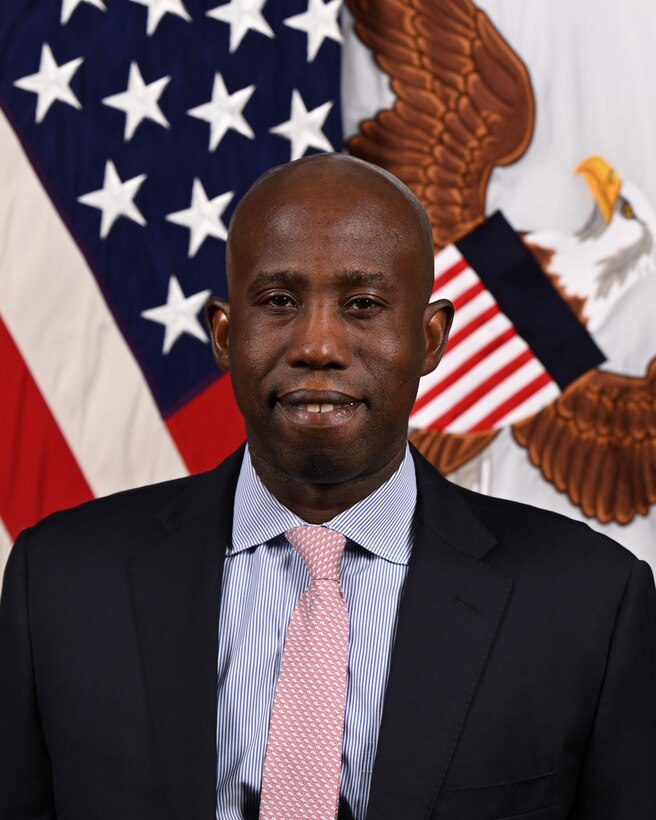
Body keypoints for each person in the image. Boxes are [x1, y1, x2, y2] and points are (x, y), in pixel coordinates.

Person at [1, 154, 655, 820]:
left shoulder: (592, 603)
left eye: (363, 305)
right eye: (279, 301)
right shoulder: (57, 582)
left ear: (430, 338)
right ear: (225, 335)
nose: (318, 344)